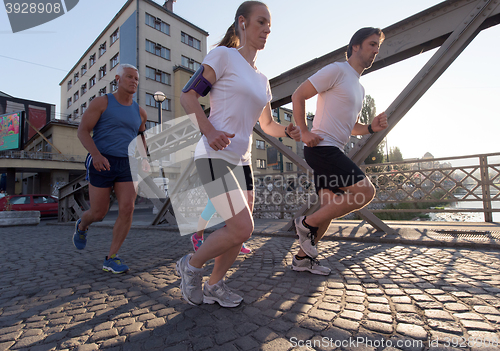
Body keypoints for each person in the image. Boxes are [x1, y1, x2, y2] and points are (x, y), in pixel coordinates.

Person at [177, 1, 301, 308]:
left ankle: (214, 285)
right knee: (243, 227)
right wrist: (208, 130)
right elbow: (187, 96)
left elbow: (267, 124)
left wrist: (287, 131)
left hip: (242, 161)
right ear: (242, 23)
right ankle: (190, 266)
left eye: (269, 25)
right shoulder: (223, 57)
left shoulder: (262, 80)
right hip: (213, 155)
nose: (266, 29)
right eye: (261, 22)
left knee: (239, 232)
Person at [291, 27, 388, 275]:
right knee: (365, 191)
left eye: (378, 46)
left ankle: (303, 259)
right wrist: (304, 131)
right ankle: (305, 223)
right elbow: (298, 94)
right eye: (372, 44)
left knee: (329, 207)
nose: (376, 50)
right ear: (355, 46)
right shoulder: (337, 70)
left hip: (333, 148)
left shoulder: (359, 88)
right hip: (321, 147)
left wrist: (369, 127)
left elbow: (350, 126)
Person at [74, 63, 150, 274]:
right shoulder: (102, 102)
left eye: (136, 78)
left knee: (128, 207)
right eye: (129, 77)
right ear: (118, 79)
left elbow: (141, 136)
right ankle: (82, 225)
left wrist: (143, 159)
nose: (134, 81)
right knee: (99, 213)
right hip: (102, 160)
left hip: (126, 163)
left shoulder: (140, 112)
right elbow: (83, 131)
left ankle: (112, 257)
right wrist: (96, 155)